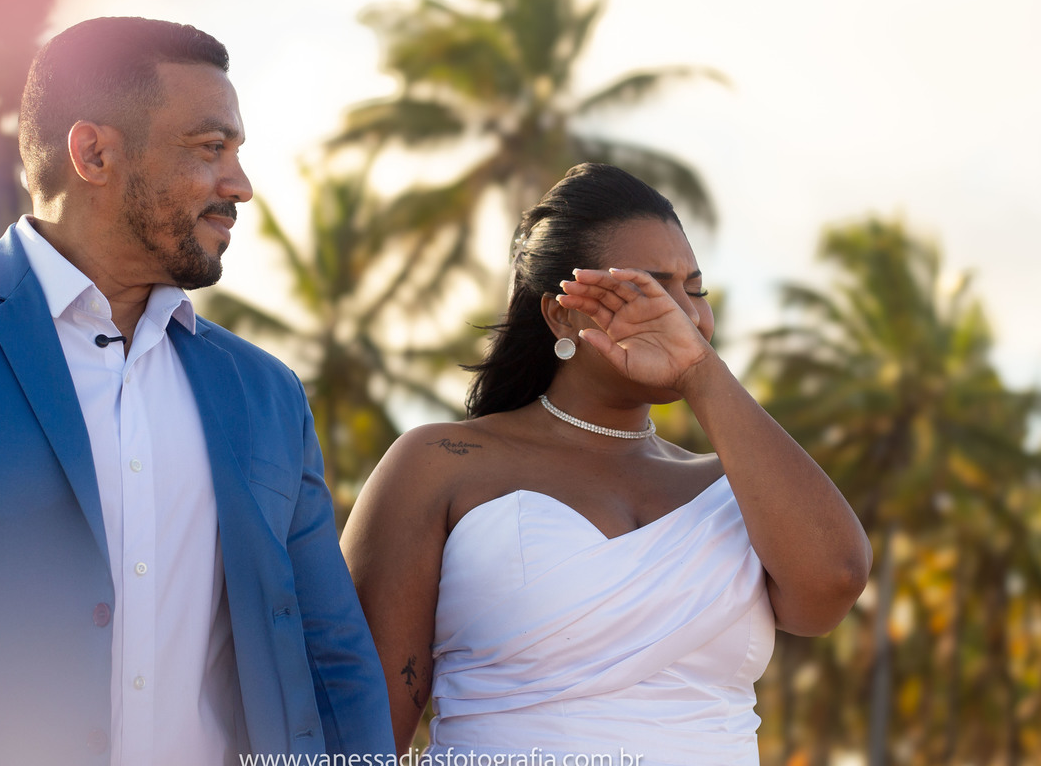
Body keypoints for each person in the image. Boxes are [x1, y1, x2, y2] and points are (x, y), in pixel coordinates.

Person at [0, 17, 393, 765]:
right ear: (95, 153)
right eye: (210, 148)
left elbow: (331, 660)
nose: (240, 185)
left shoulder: (268, 395)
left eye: (238, 152)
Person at [341, 163, 872, 764]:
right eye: (648, 289)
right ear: (561, 314)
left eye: (694, 290)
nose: (684, 315)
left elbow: (833, 583)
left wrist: (701, 373)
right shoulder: (441, 464)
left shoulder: (734, 489)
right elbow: (362, 728)